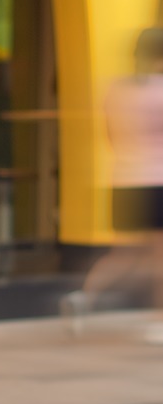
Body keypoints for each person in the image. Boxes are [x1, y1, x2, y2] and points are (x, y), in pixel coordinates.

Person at [63, 28, 163, 340]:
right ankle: (159, 321)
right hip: (157, 179)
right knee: (158, 256)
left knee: (126, 254)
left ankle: (84, 296)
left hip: (123, 179)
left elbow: (110, 135)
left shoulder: (117, 90)